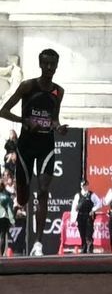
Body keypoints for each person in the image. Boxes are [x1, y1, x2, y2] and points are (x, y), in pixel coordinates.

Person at [0, 48, 64, 251]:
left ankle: (38, 242)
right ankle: (23, 196)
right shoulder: (28, 86)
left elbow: (54, 118)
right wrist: (24, 121)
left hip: (46, 143)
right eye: (45, 64)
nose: (49, 68)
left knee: (44, 190)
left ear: (56, 66)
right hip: (27, 144)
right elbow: (3, 111)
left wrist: (58, 127)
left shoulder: (58, 91)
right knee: (22, 197)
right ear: (40, 64)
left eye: (52, 64)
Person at [71, 178, 96, 254]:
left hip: (88, 215)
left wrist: (93, 210)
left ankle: (90, 247)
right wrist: (73, 219)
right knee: (82, 232)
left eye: (86, 185)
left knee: (89, 232)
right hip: (80, 216)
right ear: (81, 186)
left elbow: (98, 203)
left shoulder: (92, 194)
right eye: (83, 186)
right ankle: (84, 247)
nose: (85, 187)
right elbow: (74, 207)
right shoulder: (78, 195)